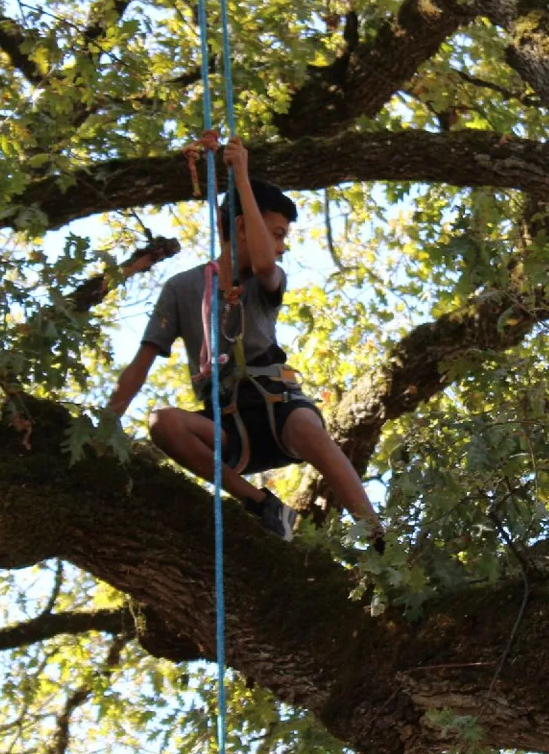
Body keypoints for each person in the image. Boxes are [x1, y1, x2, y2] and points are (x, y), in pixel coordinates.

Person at [104, 136, 383, 545]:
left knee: (309, 429)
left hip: (278, 407)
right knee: (162, 423)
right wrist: (107, 423)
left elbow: (265, 261)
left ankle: (376, 535)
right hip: (228, 424)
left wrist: (242, 176)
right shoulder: (182, 289)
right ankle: (262, 504)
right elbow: (141, 364)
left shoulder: (266, 281)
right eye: (276, 233)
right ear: (241, 226)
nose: (281, 246)